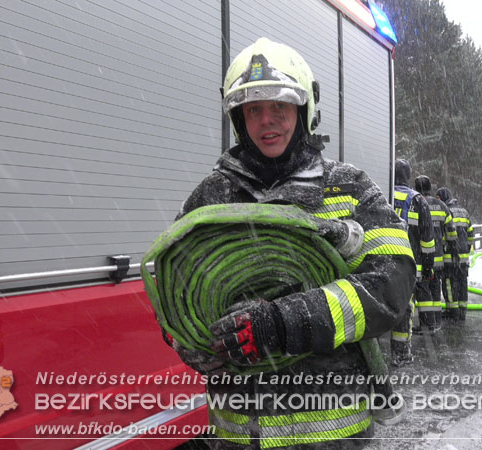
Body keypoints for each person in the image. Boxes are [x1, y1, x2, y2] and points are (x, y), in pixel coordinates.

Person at [172, 38, 415, 449]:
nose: (267, 121)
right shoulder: (211, 199)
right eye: (253, 110)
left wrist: (284, 323)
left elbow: (392, 284)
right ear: (239, 118)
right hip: (238, 439)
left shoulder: (349, 189)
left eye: (279, 107)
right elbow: (179, 291)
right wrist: (194, 343)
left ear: (304, 111)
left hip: (332, 438)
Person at [392, 160, 435, 364]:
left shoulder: (381, 193)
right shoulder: (417, 200)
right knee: (405, 308)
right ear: (408, 177)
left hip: (381, 260)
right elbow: (427, 240)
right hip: (407, 263)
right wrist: (427, 267)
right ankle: (400, 354)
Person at [414, 175, 456, 330]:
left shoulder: (415, 203)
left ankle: (426, 324)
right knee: (435, 289)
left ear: (416, 188)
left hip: (422, 257)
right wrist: (449, 247)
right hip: (439, 258)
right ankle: (437, 321)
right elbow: (451, 232)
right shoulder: (442, 206)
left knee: (423, 290)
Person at [436, 187, 474, 320]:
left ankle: (452, 310)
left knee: (448, 282)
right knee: (462, 282)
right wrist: (466, 249)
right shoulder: (464, 212)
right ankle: (462, 309)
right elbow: (470, 233)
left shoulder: (446, 211)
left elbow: (443, 234)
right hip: (463, 256)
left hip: (449, 255)